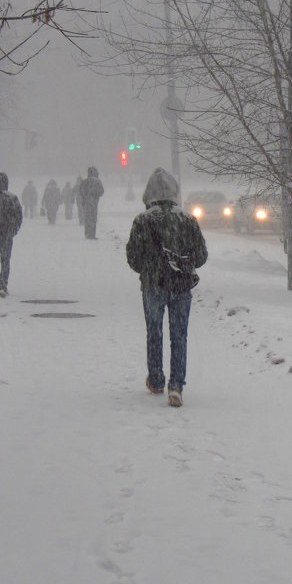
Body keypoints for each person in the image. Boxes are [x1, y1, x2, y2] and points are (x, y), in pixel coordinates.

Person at [126, 167, 208, 407]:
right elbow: (201, 256)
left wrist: (149, 269)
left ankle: (156, 379)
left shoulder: (143, 220)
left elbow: (132, 257)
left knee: (154, 332)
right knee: (179, 335)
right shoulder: (186, 219)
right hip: (181, 286)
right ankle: (176, 386)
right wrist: (182, 262)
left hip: (152, 285)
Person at [79, 167, 104, 239]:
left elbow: (81, 191)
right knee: (93, 218)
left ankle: (87, 233)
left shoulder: (85, 181)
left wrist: (86, 195)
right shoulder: (98, 181)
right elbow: (101, 192)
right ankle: (92, 234)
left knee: (87, 218)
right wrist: (95, 194)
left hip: (86, 202)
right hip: (94, 202)